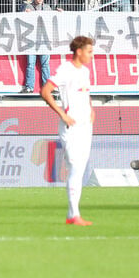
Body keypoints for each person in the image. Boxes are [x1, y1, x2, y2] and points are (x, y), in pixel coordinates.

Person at [41, 36, 95, 227]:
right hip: (71, 126)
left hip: (85, 126)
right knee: (75, 167)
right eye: (89, 51)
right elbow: (45, 91)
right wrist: (62, 115)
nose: (91, 55)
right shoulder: (65, 69)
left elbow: (85, 93)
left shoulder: (86, 72)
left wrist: (91, 109)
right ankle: (74, 215)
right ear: (79, 51)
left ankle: (73, 215)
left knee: (80, 170)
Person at [21, 0, 51, 93]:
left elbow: (53, 18)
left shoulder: (47, 8)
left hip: (44, 40)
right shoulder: (28, 7)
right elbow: (21, 17)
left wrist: (58, 12)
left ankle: (47, 87)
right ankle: (29, 87)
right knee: (30, 64)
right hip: (31, 40)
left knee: (45, 64)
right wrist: (24, 13)